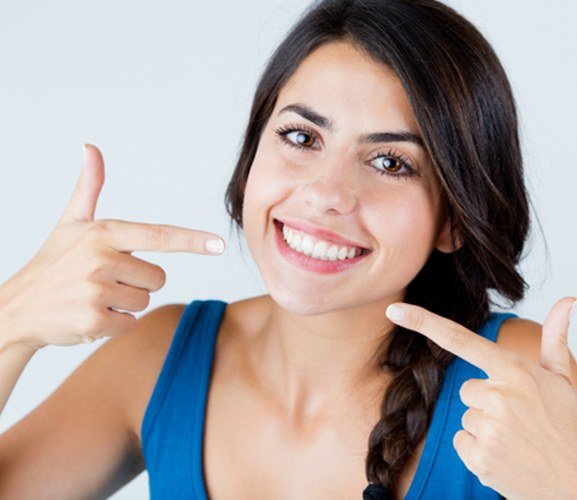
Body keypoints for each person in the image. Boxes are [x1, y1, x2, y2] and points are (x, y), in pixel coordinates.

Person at [0, 0, 575, 498]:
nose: (326, 194)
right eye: (302, 137)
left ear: (455, 218)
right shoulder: (157, 359)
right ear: (253, 156)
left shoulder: (519, 381)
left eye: (391, 162)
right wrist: (11, 322)